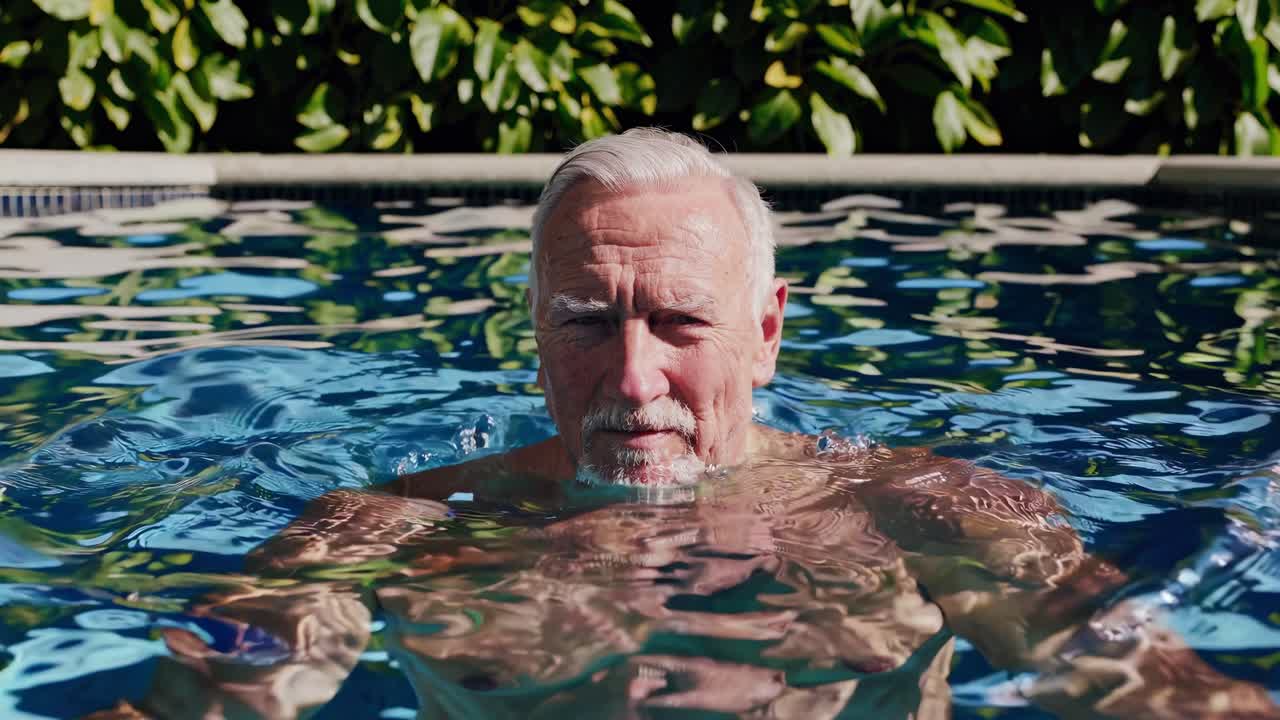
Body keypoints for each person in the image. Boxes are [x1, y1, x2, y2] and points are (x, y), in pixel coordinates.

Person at [99, 129, 1278, 719]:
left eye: (678, 321)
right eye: (584, 321)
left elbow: (1162, 696)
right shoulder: (388, 531)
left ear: (765, 330)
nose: (632, 375)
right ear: (531, 329)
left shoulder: (929, 514)